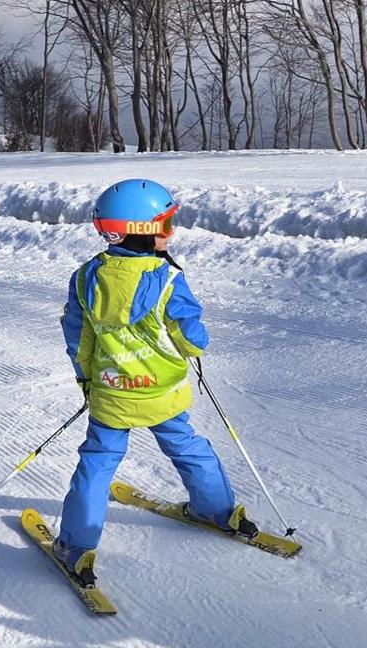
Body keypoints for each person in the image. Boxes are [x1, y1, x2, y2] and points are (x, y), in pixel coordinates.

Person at [51, 179, 255, 582]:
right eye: (165, 224)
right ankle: (216, 510)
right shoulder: (167, 279)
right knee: (189, 446)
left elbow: (80, 339)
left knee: (97, 462)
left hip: (112, 393)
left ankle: (76, 545)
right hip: (163, 391)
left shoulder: (86, 279)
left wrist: (86, 380)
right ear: (141, 230)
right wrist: (193, 342)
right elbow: (191, 338)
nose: (171, 232)